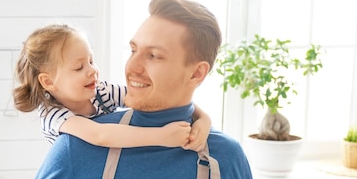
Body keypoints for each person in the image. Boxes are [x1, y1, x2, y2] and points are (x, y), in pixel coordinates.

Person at [0, 0, 267, 179]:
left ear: (197, 73)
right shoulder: (79, 144)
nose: (132, 68)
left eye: (153, 56)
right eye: (133, 50)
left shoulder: (223, 154)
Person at [13, 24, 211, 151]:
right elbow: (100, 136)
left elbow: (150, 97)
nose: (92, 71)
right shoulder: (53, 115)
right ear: (48, 82)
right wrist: (162, 137)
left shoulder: (101, 91)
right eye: (79, 67)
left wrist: (203, 118)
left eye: (91, 61)